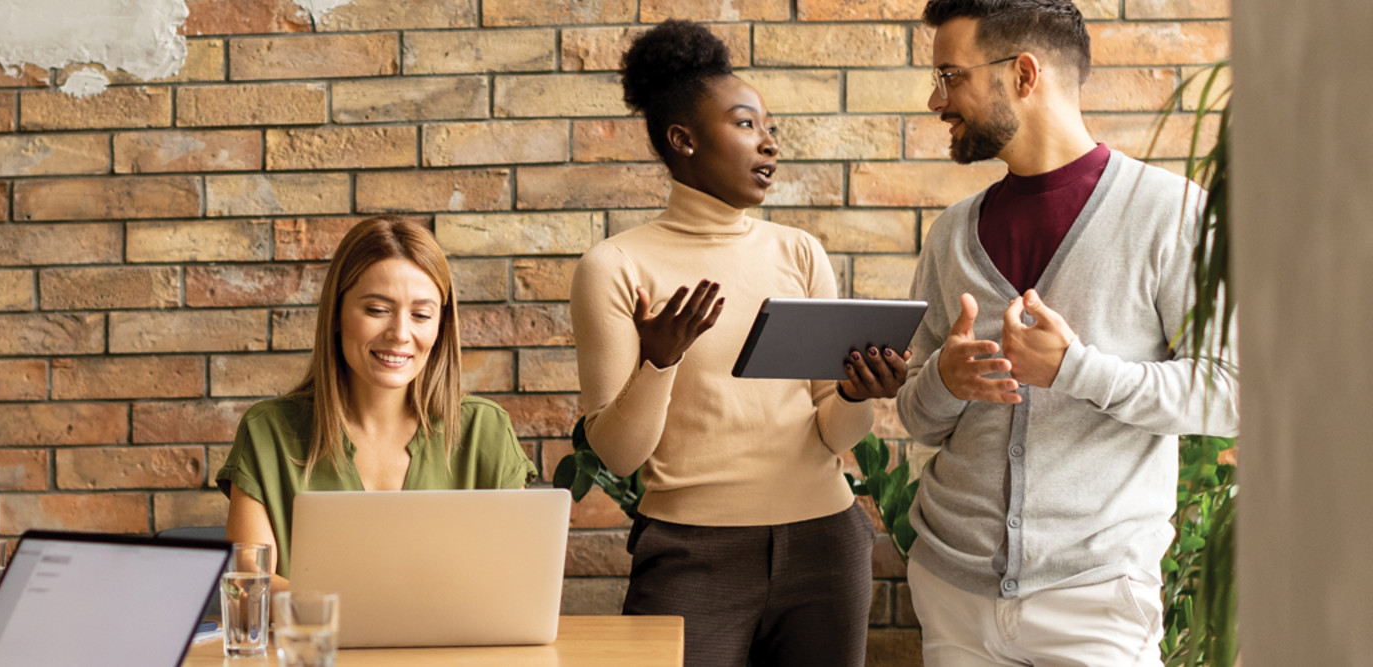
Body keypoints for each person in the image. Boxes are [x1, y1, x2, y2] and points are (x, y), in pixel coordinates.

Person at [898, 1, 1240, 664]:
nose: (937, 99)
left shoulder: (1170, 215)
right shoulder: (950, 236)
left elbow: (1228, 393)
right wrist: (943, 379)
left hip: (1097, 601)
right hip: (952, 591)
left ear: (1023, 74)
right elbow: (918, 416)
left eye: (950, 75)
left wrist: (1075, 370)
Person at [572, 19, 911, 666]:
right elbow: (617, 455)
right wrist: (658, 362)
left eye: (770, 128)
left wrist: (856, 391)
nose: (770, 145)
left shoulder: (800, 252)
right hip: (691, 555)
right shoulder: (616, 267)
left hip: (826, 546)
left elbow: (835, 434)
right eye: (747, 124)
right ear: (684, 139)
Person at [217, 216, 537, 585]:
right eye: (377, 310)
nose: (400, 334)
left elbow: (515, 582)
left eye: (421, 315)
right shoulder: (268, 432)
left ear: (440, 326)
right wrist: (346, 614)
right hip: (315, 644)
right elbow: (249, 581)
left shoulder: (486, 431)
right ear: (336, 314)